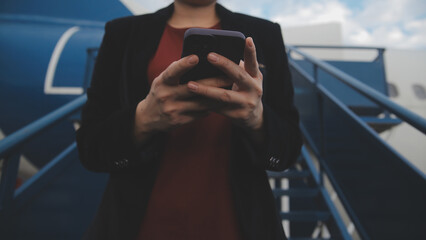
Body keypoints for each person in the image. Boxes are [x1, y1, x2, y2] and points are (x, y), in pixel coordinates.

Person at [76, 0, 302, 239]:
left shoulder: (265, 33)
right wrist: (142, 119)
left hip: (240, 226)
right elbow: (90, 146)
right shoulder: (122, 32)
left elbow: (289, 147)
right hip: (139, 226)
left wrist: (257, 119)